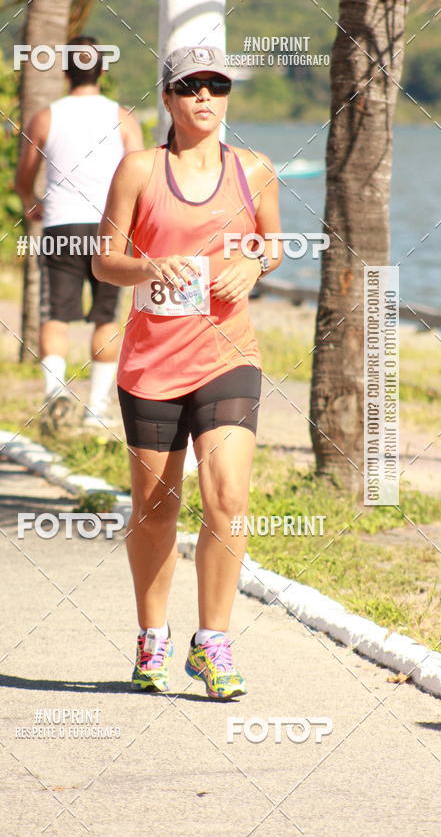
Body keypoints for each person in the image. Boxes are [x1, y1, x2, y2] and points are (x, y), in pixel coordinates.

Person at [92, 46, 282, 700]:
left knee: (228, 497)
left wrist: (254, 263)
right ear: (169, 97)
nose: (205, 95)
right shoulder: (140, 169)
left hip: (228, 355)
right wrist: (149, 266)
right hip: (152, 362)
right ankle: (152, 636)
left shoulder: (254, 170)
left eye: (216, 85)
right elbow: (104, 260)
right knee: (155, 509)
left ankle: (213, 643)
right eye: (190, 85)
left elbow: (274, 243)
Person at [15, 35, 143, 432]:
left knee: (56, 316)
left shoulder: (45, 117)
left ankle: (56, 400)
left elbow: (23, 177)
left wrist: (31, 202)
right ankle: (96, 409)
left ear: (65, 71)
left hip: (61, 226)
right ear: (103, 70)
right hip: (109, 229)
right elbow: (141, 176)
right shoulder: (123, 118)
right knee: (105, 317)